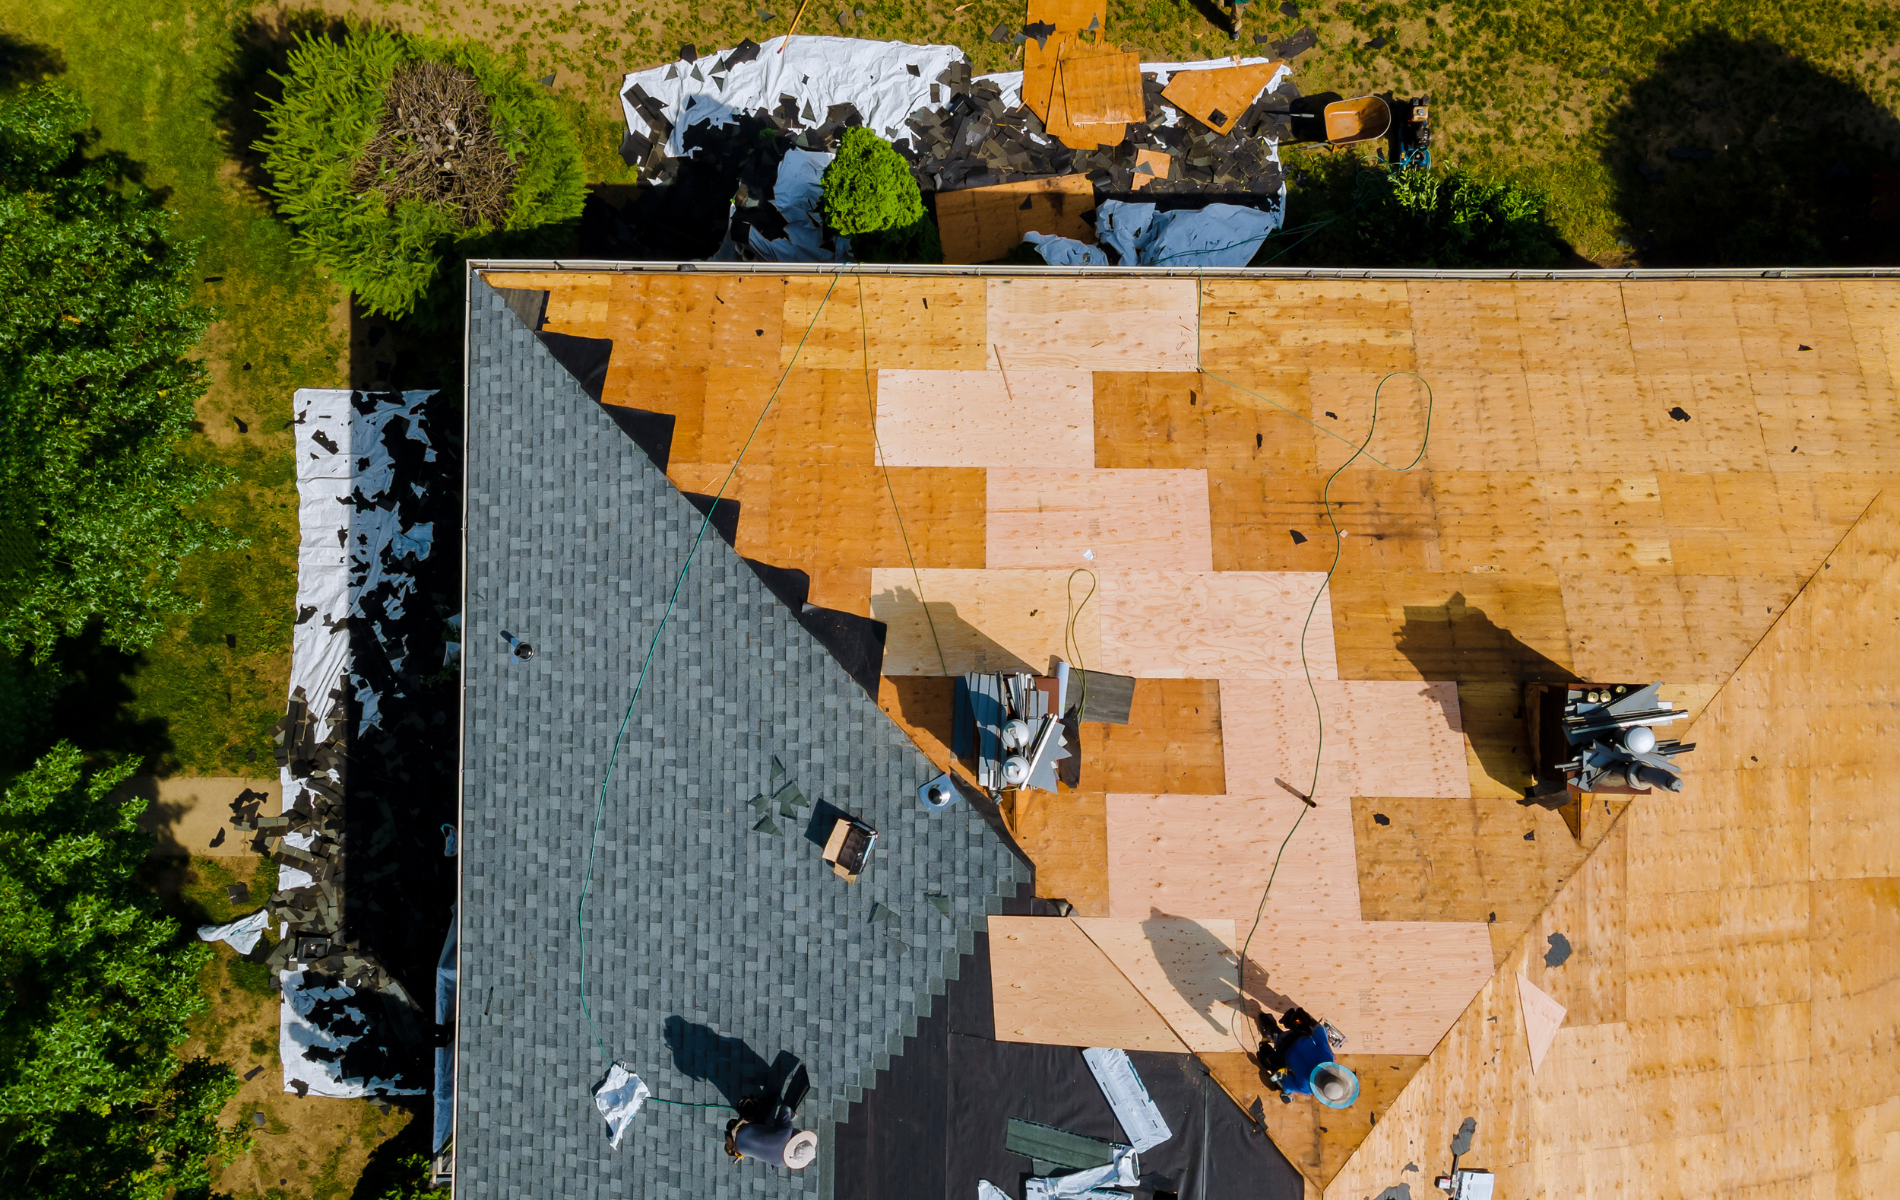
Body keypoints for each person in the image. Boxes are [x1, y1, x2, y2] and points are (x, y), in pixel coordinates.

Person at [1256, 1007, 1358, 1106]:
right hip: (1283, 1050)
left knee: (1311, 1028)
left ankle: (1295, 1017)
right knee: (1275, 1069)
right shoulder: (1306, 1089)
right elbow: (1286, 1085)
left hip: (1298, 1035)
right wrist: (1290, 1094)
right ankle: (1267, 1037)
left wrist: (1311, 1022)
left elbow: (1320, 1031)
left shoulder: (1328, 1057)